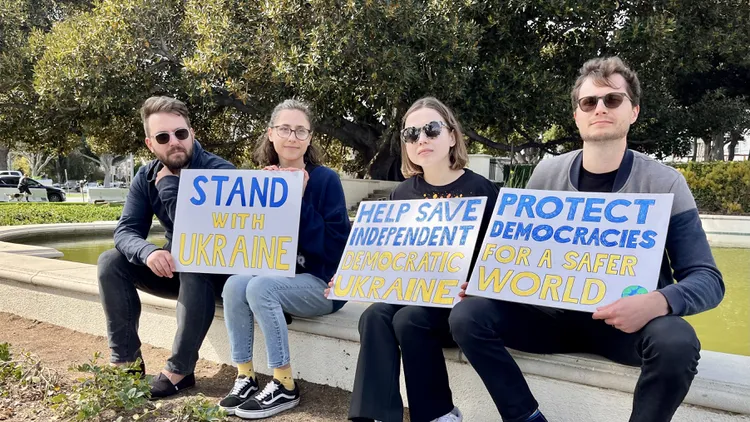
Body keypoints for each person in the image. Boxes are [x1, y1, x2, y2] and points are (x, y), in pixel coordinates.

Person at [449, 57, 725, 422]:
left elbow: (708, 279)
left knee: (677, 342)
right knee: (468, 314)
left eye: (613, 100)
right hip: (550, 321)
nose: (600, 109)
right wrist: (490, 282)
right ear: (577, 115)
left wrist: (658, 301)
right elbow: (521, 257)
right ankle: (526, 418)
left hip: (624, 327)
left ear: (634, 111)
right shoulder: (546, 173)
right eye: (589, 102)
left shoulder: (666, 183)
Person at [340, 97, 499, 422]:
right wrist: (353, 276)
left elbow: (497, 260)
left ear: (452, 136)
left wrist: (478, 287)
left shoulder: (481, 189)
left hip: (456, 311)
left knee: (407, 318)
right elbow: (388, 260)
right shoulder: (401, 193)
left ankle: (438, 414)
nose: (421, 139)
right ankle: (375, 415)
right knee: (373, 316)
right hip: (413, 297)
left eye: (431, 129)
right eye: (411, 134)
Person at [218, 99, 351, 419]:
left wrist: (298, 198)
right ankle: (245, 375)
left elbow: (335, 248)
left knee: (260, 288)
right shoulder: (261, 181)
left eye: (300, 130)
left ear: (309, 137)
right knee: (236, 284)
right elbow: (251, 246)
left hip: (322, 284)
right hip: (279, 279)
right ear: (271, 134)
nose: (292, 137)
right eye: (285, 129)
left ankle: (284, 384)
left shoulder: (325, 180)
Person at [97, 96, 235, 398]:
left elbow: (204, 236)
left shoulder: (220, 171)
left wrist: (169, 189)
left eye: (180, 133)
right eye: (163, 137)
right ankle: (126, 363)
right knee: (110, 262)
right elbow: (126, 231)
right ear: (150, 144)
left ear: (192, 133)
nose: (174, 142)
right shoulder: (145, 176)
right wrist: (149, 252)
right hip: (180, 272)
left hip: (218, 274)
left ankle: (180, 370)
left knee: (196, 260)